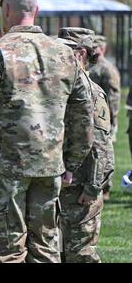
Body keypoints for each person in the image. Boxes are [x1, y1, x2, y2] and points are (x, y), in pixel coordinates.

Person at [0, 0, 94, 263]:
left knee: (8, 251)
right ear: (35, 9)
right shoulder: (65, 53)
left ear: (7, 10)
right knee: (46, 249)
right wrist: (72, 163)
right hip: (51, 167)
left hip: (7, 168)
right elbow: (83, 113)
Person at [57, 27, 114, 263]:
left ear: (80, 54)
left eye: (65, 51)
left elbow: (102, 147)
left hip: (81, 189)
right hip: (62, 186)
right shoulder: (64, 87)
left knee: (81, 254)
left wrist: (92, 188)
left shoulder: (92, 93)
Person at [88, 34, 120, 200]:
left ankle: (105, 188)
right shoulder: (90, 66)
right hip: (90, 119)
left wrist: (112, 120)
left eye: (96, 47)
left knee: (104, 153)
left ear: (103, 49)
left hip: (103, 119)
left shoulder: (106, 69)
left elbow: (113, 96)